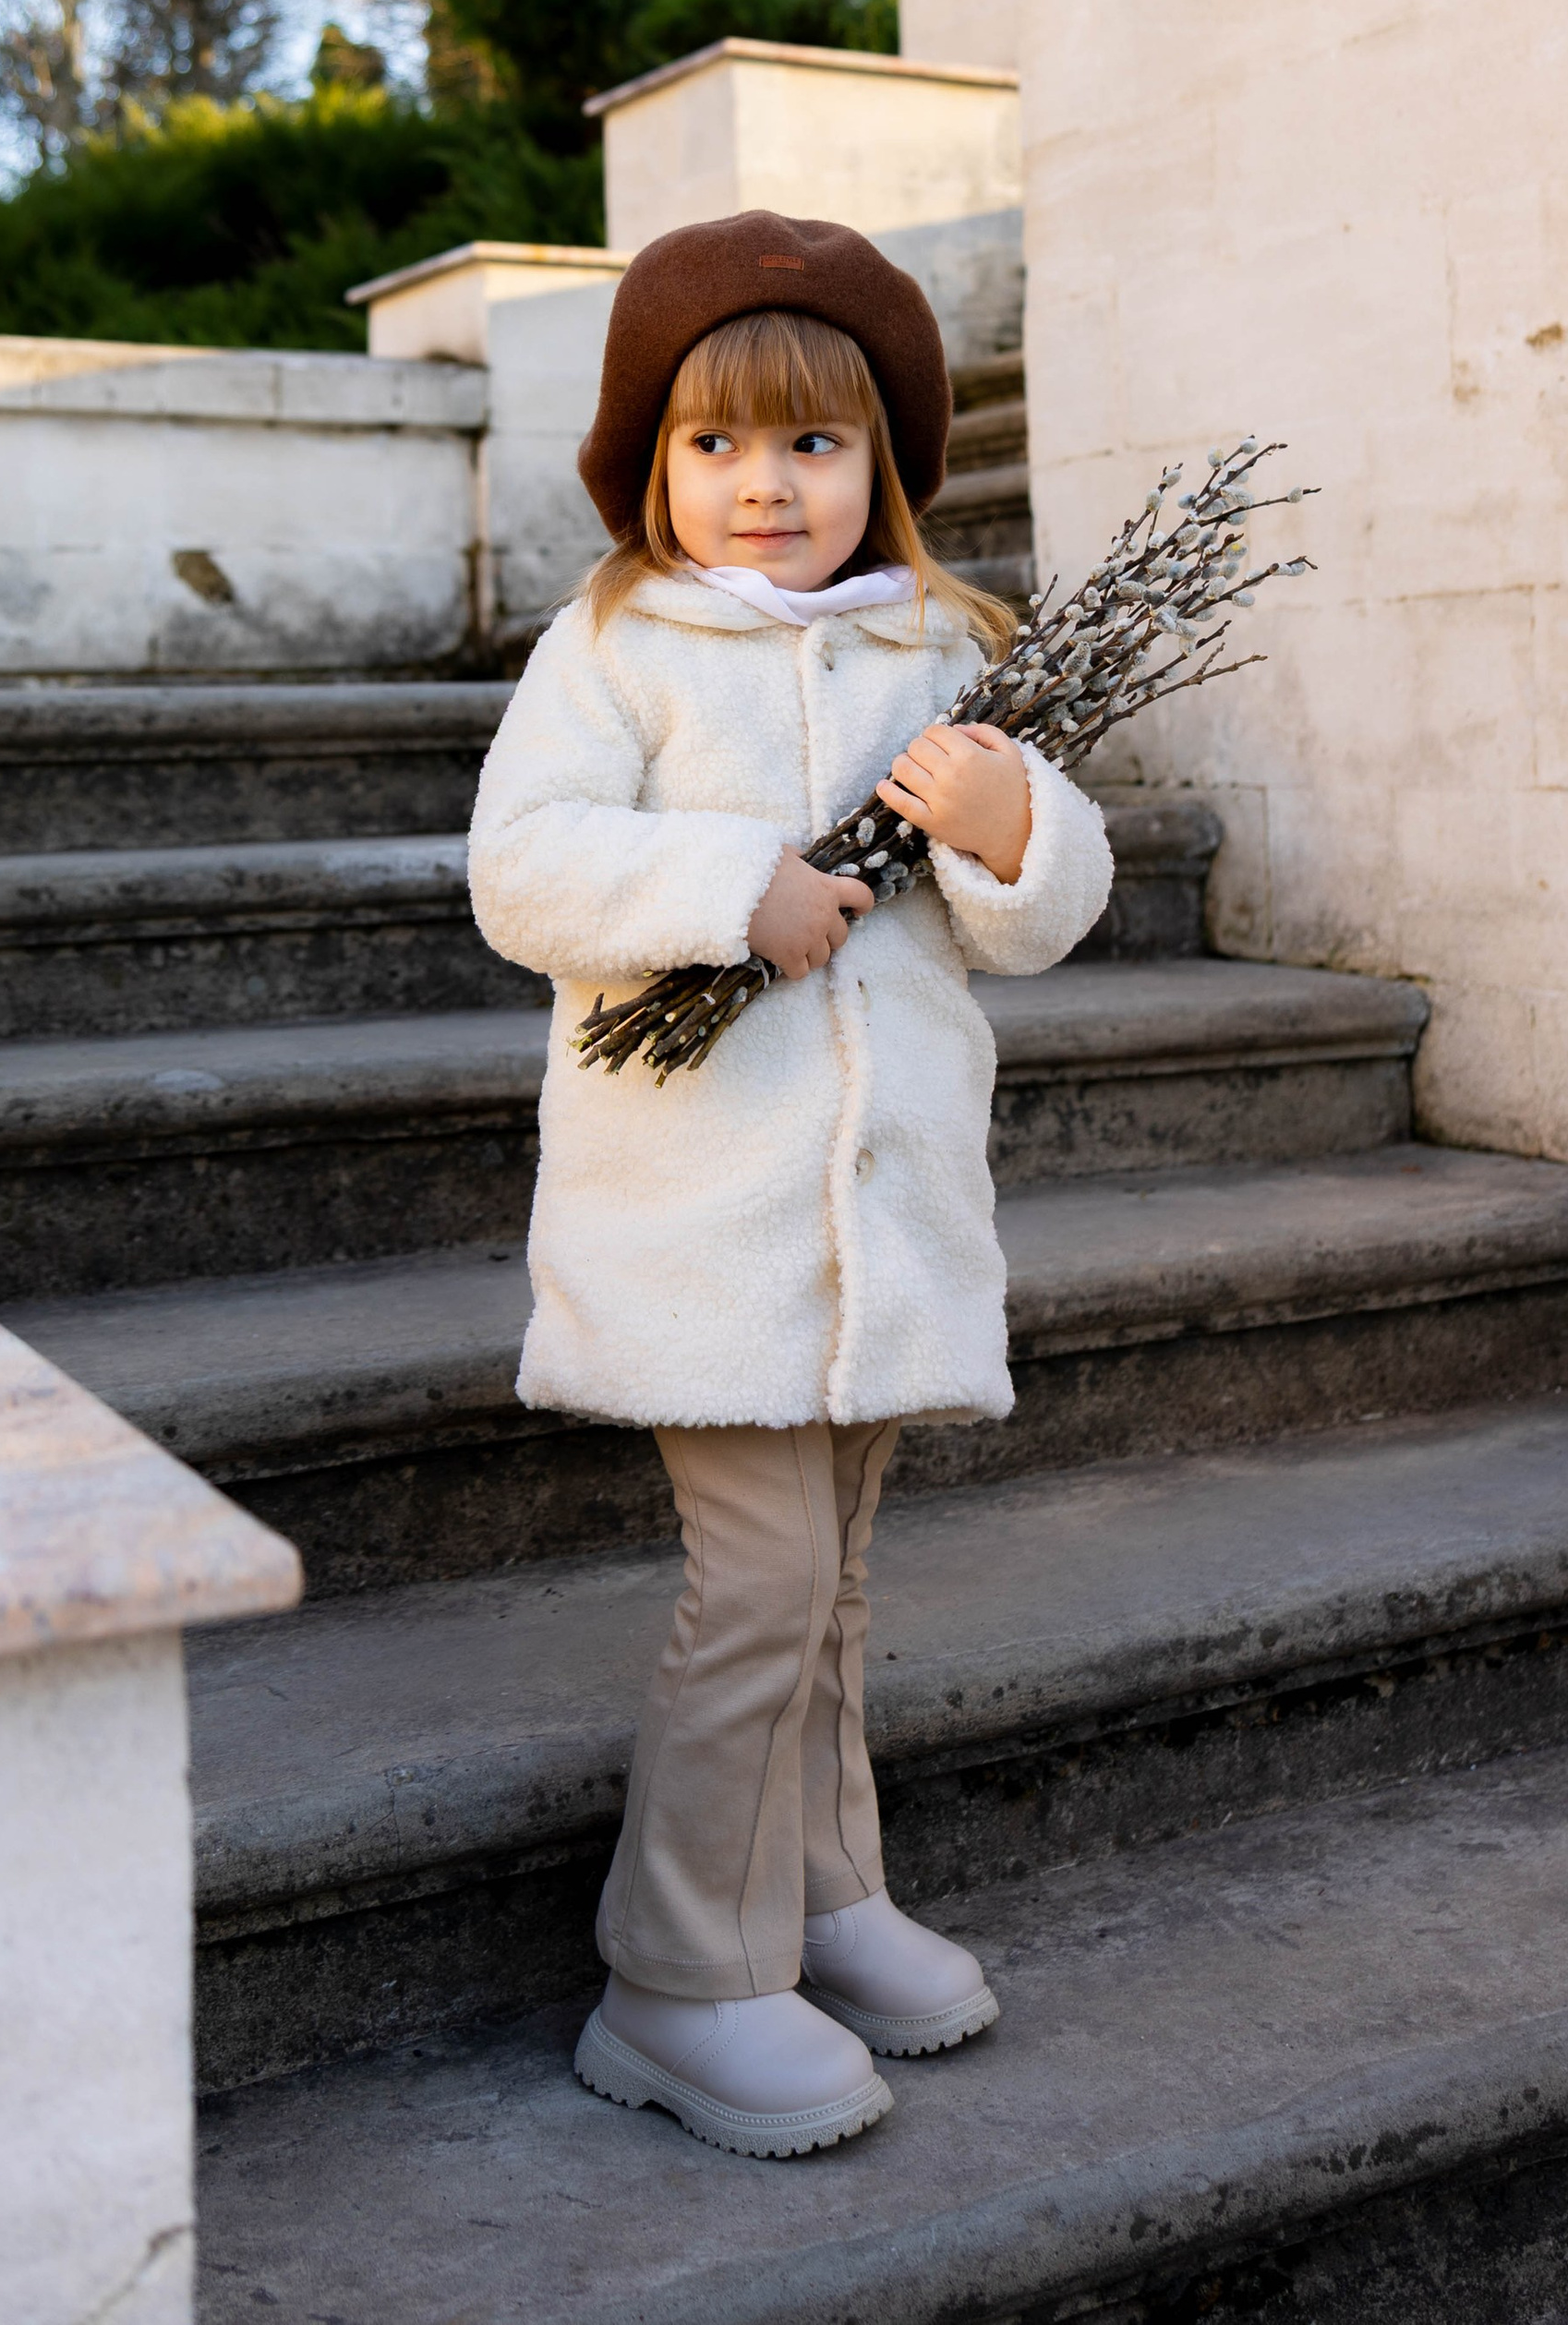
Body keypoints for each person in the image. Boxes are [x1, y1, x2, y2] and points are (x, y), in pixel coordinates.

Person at [467, 209, 1113, 2161]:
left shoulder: (946, 647)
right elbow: (522, 866)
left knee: (827, 1589)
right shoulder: (615, 646)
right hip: (705, 1231)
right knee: (752, 1591)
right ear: (650, 465)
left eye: (814, 446)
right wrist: (714, 889)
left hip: (884, 1224)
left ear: (883, 469)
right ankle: (673, 1980)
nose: (765, 485)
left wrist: (1015, 829)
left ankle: (821, 1899)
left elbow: (1024, 918)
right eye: (716, 445)